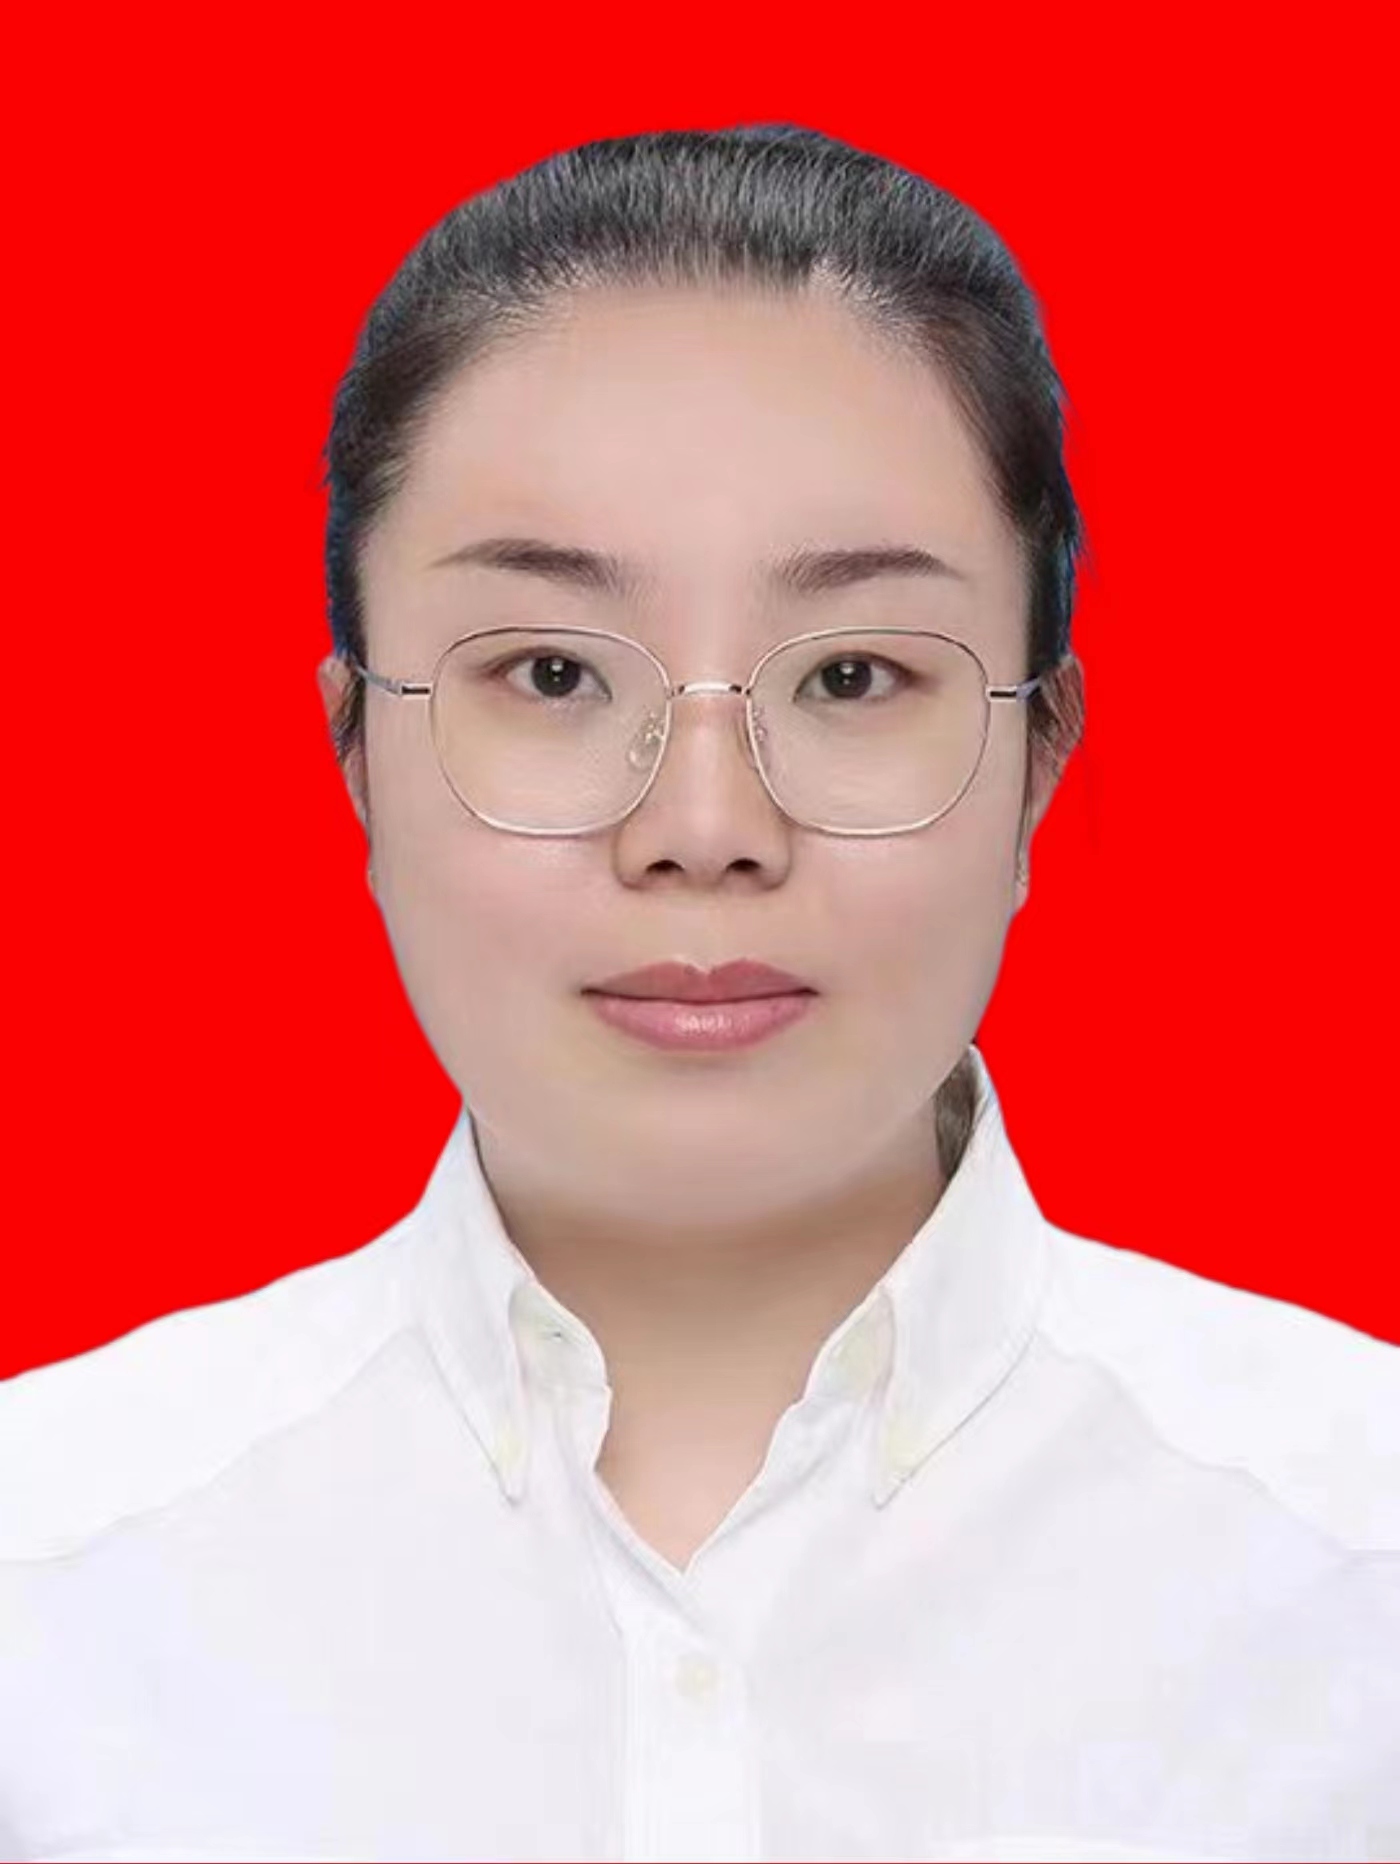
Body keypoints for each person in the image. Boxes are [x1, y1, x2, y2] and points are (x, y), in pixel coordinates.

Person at [1, 124, 1396, 1864]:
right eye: (552, 672)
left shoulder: (1356, 1576)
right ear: (357, 750)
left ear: (1042, 754)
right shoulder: (49, 1589)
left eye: (856, 674)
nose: (707, 828)